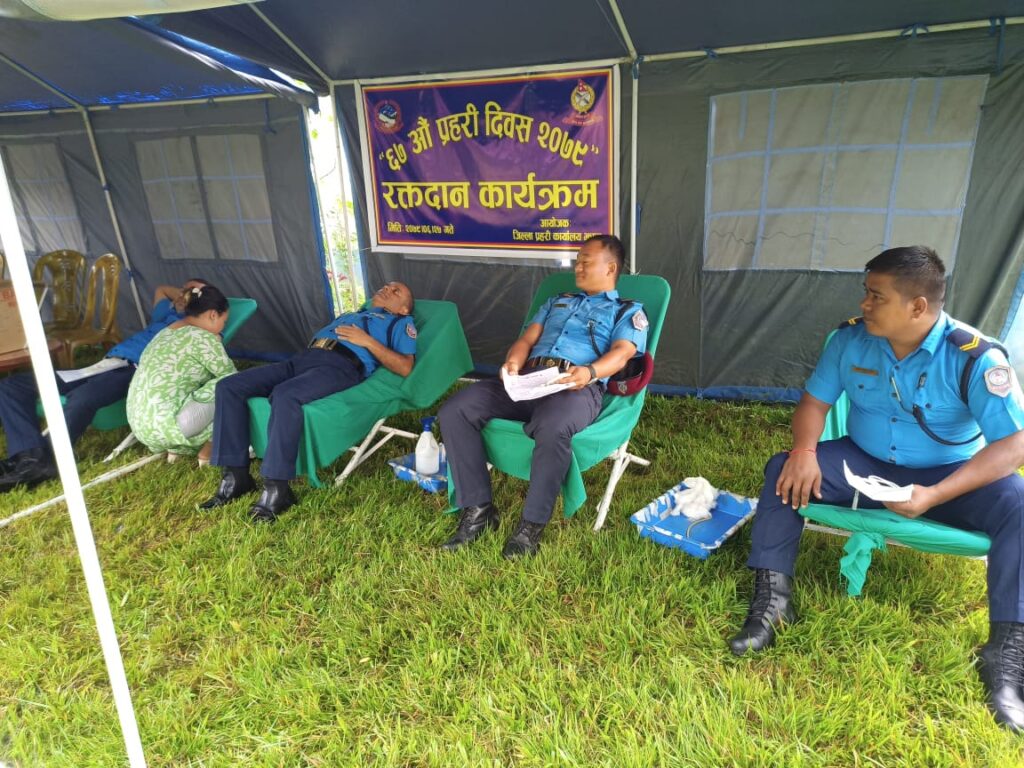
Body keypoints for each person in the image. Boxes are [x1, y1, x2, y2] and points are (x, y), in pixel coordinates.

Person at [727, 245, 1024, 731]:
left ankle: (1007, 654)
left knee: (1018, 504)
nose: (864, 304)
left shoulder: (974, 357)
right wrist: (804, 450)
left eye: (876, 296)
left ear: (918, 307)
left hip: (947, 473)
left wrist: (934, 496)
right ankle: (773, 604)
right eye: (865, 293)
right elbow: (814, 404)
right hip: (862, 462)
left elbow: (1013, 445)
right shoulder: (850, 340)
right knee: (783, 469)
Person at [439, 234, 648, 558]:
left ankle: (530, 526)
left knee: (552, 426)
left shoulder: (627, 310)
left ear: (610, 268)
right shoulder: (558, 301)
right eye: (577, 261)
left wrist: (590, 372)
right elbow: (527, 339)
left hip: (576, 386)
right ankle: (478, 510)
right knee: (456, 410)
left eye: (586, 261)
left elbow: (622, 354)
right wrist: (513, 362)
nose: (577, 267)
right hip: (528, 380)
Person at [199, 281, 417, 522]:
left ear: (404, 309)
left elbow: (405, 366)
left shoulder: (400, 323)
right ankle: (235, 478)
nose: (387, 289)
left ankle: (277, 488)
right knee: (229, 387)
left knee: (285, 395)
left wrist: (366, 341)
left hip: (339, 366)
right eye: (387, 285)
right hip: (302, 360)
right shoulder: (354, 314)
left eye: (396, 291)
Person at [0, 278, 207, 492]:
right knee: (10, 387)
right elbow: (161, 288)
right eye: (183, 290)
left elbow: (212, 311)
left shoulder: (197, 324)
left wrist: (197, 298)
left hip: (133, 370)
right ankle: (30, 456)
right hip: (102, 365)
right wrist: (184, 294)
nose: (184, 295)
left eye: (192, 293)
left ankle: (47, 458)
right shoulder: (165, 314)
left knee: (82, 398)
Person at [126, 284, 235, 463]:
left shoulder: (163, 334)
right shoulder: (203, 338)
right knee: (232, 384)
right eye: (224, 322)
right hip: (170, 426)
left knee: (177, 392)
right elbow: (231, 376)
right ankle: (207, 452)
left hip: (140, 426)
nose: (223, 327)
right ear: (213, 315)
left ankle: (176, 451)